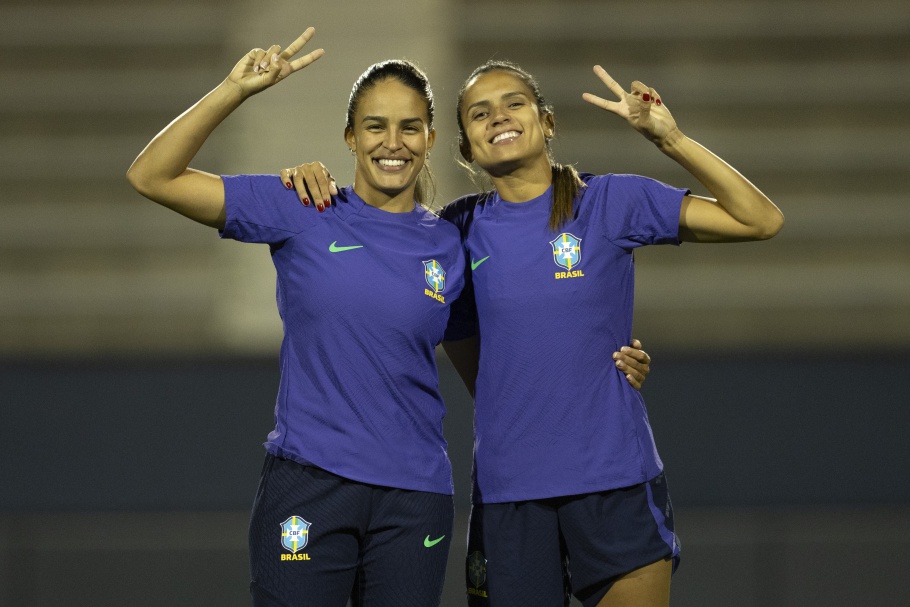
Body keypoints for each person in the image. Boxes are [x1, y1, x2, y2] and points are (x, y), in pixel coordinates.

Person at [286, 57, 784, 606]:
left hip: (613, 481)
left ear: (546, 122)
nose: (498, 117)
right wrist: (308, 180)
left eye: (513, 103)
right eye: (479, 113)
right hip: (509, 496)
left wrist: (672, 139)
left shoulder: (611, 203)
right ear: (466, 146)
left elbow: (760, 220)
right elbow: (461, 339)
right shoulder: (455, 231)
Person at [127, 29, 468, 607]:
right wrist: (233, 91)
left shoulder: (454, 243)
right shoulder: (303, 205)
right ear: (350, 137)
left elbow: (506, 351)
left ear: (431, 137)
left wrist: (618, 366)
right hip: (309, 485)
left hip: (414, 497)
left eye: (410, 127)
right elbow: (150, 176)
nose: (394, 142)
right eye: (375, 126)